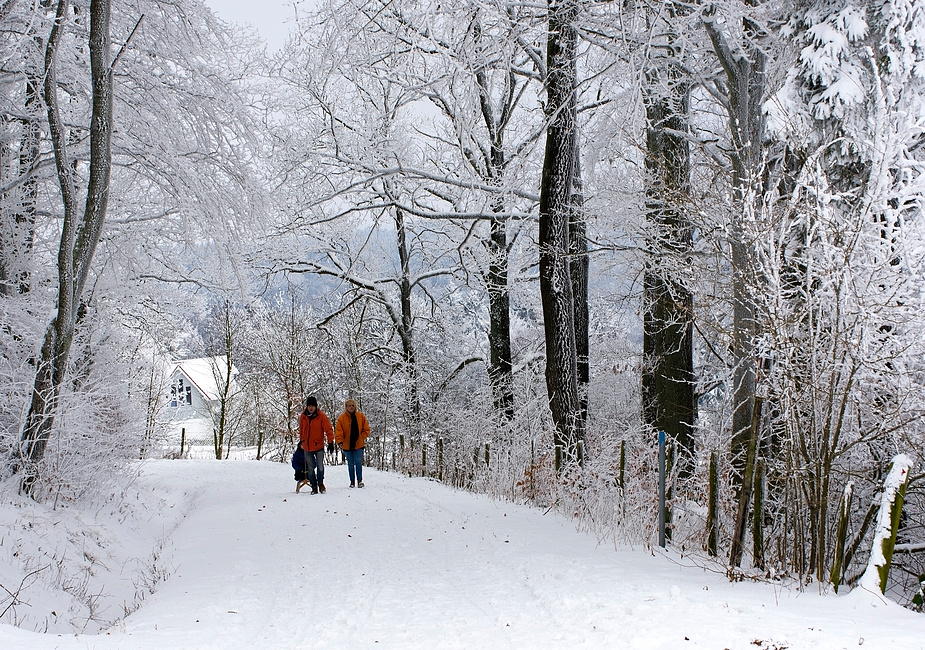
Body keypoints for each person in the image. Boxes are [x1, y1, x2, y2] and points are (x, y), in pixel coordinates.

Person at [298, 395, 334, 494]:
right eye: (309, 406)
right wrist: (301, 440)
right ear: (307, 406)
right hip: (307, 446)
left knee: (320, 466)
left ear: (316, 406)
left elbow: (328, 429)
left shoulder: (321, 416)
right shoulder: (303, 416)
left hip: (318, 446)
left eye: (313, 406)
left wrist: (331, 442)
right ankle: (314, 487)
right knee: (310, 468)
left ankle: (321, 483)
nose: (311, 408)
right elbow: (301, 429)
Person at [334, 398, 370, 488]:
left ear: (355, 407)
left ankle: (360, 480)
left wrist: (362, 437)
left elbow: (366, 429)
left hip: (359, 444)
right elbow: (338, 431)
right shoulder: (342, 418)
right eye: (349, 405)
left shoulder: (360, 416)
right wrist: (340, 441)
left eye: (353, 405)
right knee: (350, 463)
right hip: (346, 445)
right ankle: (352, 481)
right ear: (346, 407)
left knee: (358, 462)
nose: (351, 407)